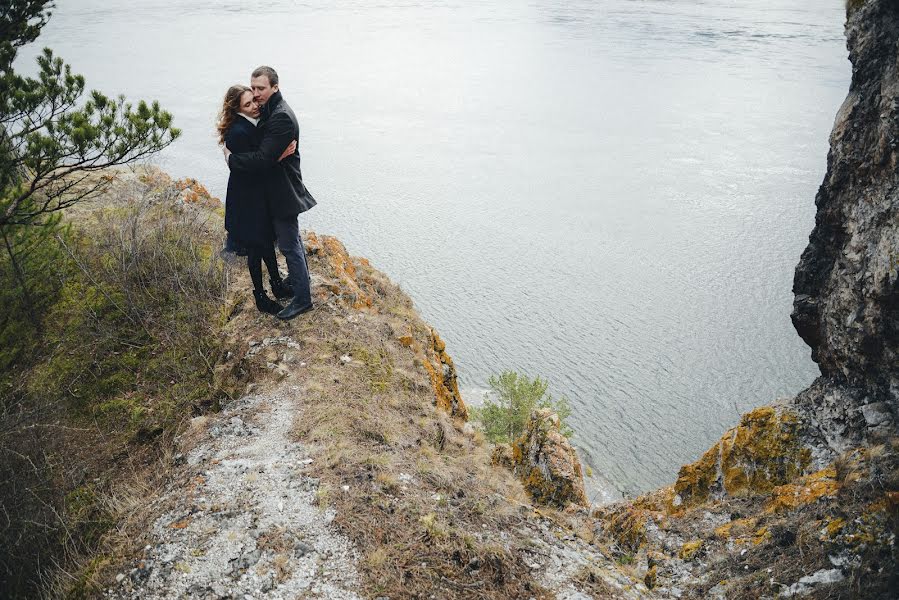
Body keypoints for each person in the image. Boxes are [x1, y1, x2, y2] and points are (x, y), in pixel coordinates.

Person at [224, 66, 317, 321]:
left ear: (275, 86)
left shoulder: (280, 116)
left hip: (282, 189)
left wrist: (233, 161)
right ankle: (301, 286)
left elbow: (263, 158)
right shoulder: (270, 110)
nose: (256, 95)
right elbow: (265, 152)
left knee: (289, 245)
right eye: (252, 89)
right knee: (292, 241)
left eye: (261, 89)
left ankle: (302, 299)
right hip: (275, 188)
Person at [217, 84, 296, 314]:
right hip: (246, 198)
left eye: (254, 101)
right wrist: (280, 155)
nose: (254, 107)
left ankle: (277, 285)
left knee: (265, 242)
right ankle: (260, 297)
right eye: (248, 104)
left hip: (256, 194)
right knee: (255, 248)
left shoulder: (253, 123)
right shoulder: (238, 132)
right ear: (237, 109)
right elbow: (256, 164)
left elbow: (259, 158)